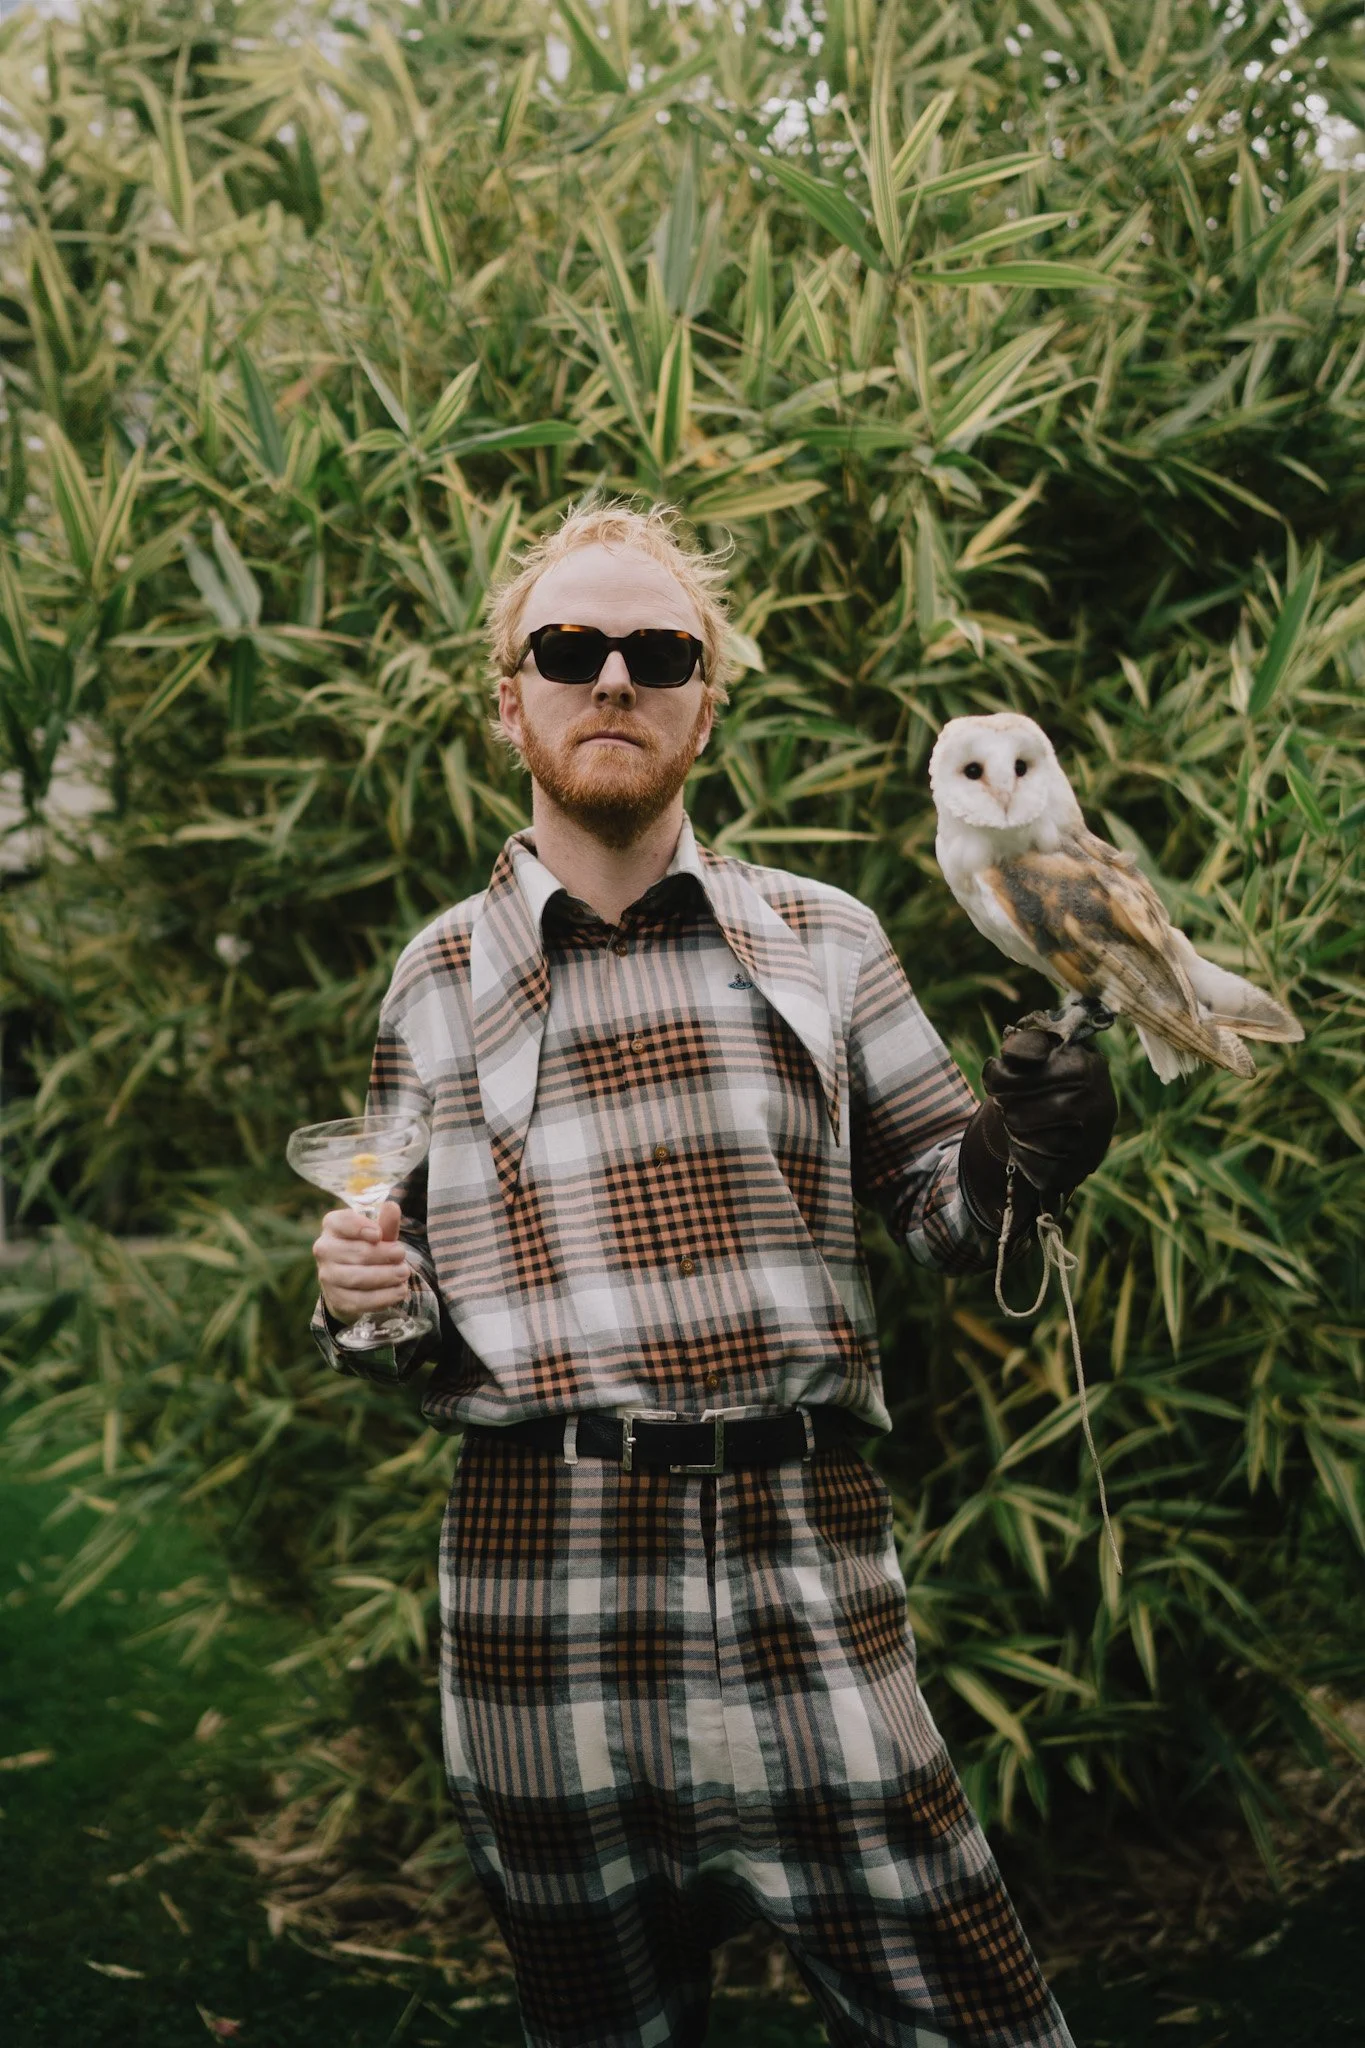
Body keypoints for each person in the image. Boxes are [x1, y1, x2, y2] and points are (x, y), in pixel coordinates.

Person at [309, 497, 1116, 2048]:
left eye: (659, 652)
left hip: (810, 1573)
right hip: (539, 1594)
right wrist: (360, 1296)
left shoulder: (829, 938)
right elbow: (402, 1317)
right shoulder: (434, 978)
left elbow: (948, 1218)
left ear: (707, 702)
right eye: (568, 649)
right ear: (510, 701)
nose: (613, 676)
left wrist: (1030, 1150)